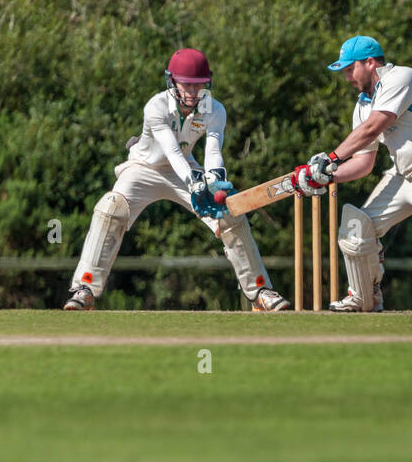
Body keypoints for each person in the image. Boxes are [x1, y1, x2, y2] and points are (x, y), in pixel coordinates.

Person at [63, 48, 289, 311]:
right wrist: (195, 183)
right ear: (172, 81)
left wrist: (214, 178)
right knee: (111, 207)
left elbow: (213, 150)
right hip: (143, 168)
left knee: (229, 213)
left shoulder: (214, 109)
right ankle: (85, 288)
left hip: (185, 168)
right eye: (187, 85)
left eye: (199, 85)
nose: (193, 92)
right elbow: (170, 150)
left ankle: (260, 291)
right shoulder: (156, 106)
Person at [290, 35, 412, 312]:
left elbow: (374, 127)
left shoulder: (402, 77)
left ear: (370, 63)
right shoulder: (362, 105)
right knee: (356, 226)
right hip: (405, 173)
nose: (347, 77)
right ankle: (364, 299)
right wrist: (326, 175)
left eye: (350, 69)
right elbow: (364, 163)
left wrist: (331, 158)